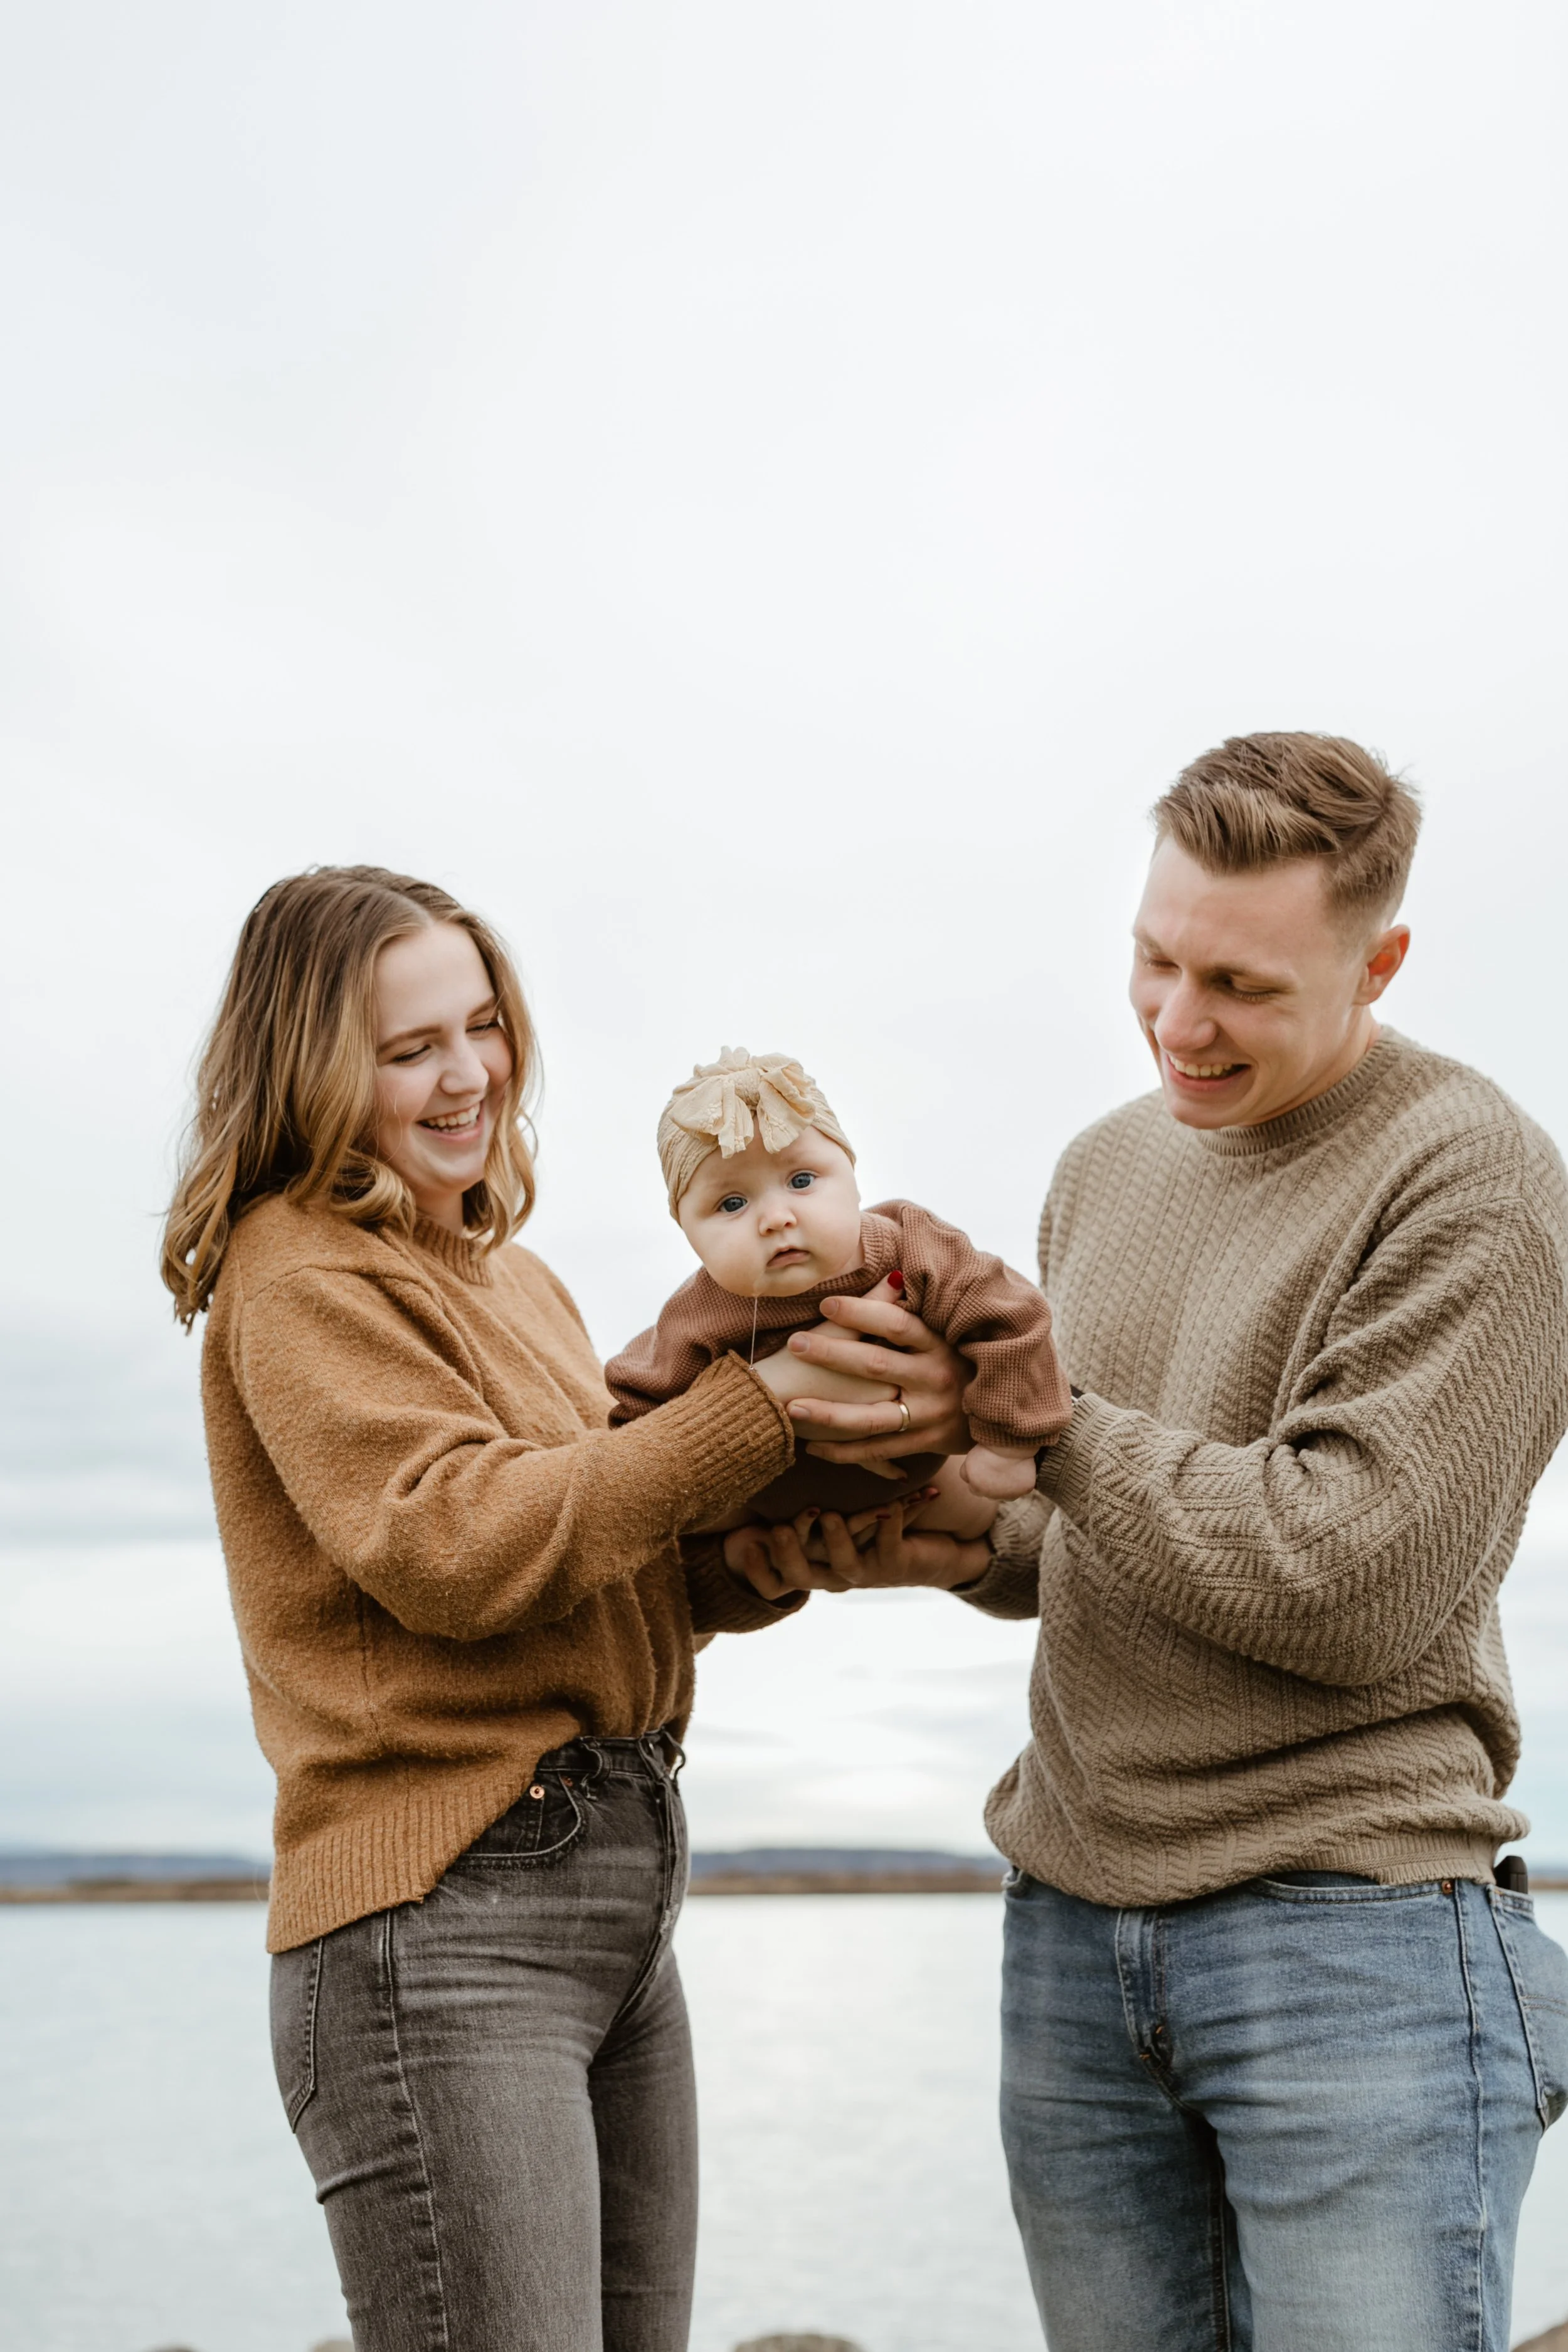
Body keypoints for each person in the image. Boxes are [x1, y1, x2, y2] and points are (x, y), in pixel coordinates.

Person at [729, 733, 1568, 2352]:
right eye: (1153, 957)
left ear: (1376, 959)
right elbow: (1078, 1531)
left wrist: (1050, 1426)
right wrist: (902, 1521)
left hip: (1355, 1941)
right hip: (1069, 1932)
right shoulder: (1100, 1167)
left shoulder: (1478, 1183)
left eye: (1242, 986)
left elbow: (1350, 1578)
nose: (1178, 1022)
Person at [159, 864, 971, 2352]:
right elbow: (457, 1545)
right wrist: (762, 1403)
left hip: (617, 1886)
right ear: (310, 1063)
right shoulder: (297, 1268)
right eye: (411, 1047)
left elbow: (600, 1567)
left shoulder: (517, 1280)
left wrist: (791, 1559)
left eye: (483, 1023)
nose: (469, 1073)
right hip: (443, 1916)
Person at [605, 1044, 1072, 1511]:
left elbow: (1012, 1319)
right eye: (732, 1204)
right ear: (686, 1231)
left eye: (802, 1180)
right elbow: (637, 1428)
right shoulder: (696, 1316)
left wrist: (1008, 1440)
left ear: (852, 1175)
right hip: (769, 1522)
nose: (776, 1218)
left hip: (926, 1498)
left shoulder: (912, 1248)